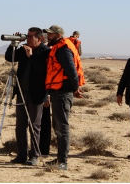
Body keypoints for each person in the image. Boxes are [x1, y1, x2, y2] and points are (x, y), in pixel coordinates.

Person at [5, 28, 51, 166]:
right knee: (20, 125)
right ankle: (21, 155)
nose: (28, 39)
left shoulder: (46, 52)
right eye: (28, 36)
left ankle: (34, 155)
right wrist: (15, 44)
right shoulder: (24, 49)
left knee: (34, 126)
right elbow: (9, 57)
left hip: (37, 95)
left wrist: (32, 56)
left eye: (31, 37)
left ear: (40, 38)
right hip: (22, 93)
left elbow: (44, 71)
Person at [43, 25, 85, 171]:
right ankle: (60, 157)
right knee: (58, 126)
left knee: (62, 127)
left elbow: (71, 70)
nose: (48, 36)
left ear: (58, 35)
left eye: (50, 34)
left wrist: (75, 88)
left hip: (63, 92)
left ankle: (63, 161)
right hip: (57, 92)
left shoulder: (63, 49)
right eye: (48, 34)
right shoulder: (58, 48)